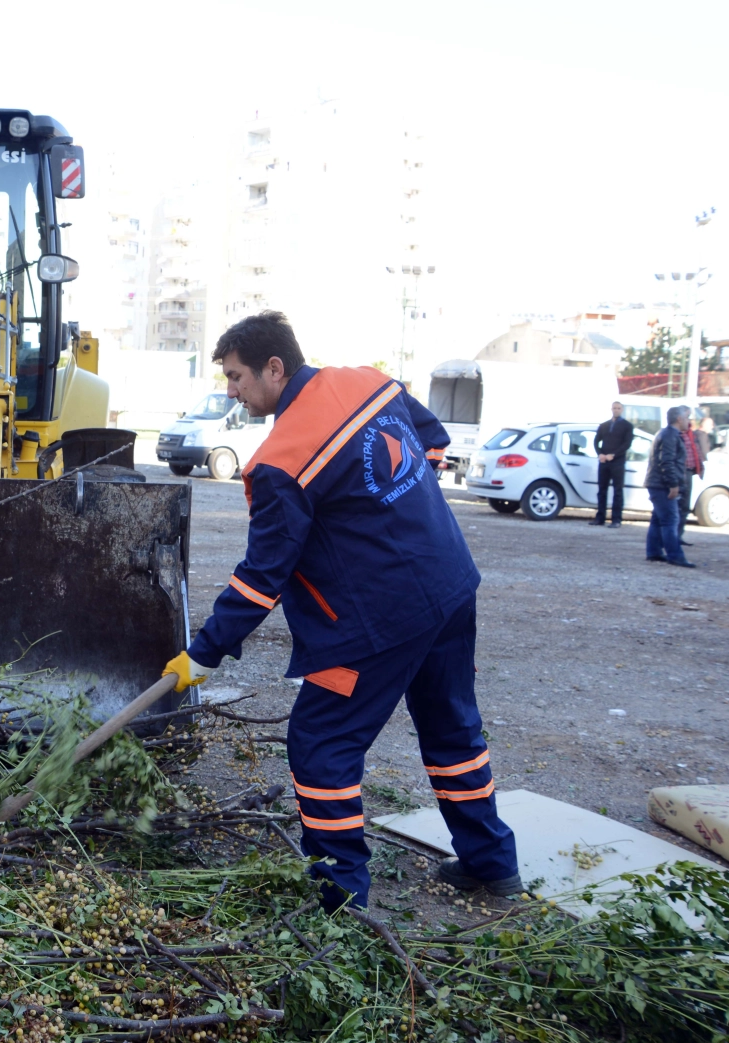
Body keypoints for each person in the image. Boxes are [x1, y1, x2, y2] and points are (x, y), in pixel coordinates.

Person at [162, 311, 519, 912]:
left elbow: (262, 579)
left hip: (376, 623)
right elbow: (432, 441)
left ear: (274, 368)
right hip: (450, 586)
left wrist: (204, 653)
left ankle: (338, 898)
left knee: (320, 742)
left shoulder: (281, 462)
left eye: (236, 376)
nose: (231, 390)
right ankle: (492, 864)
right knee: (453, 728)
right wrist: (399, 512)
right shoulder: (368, 382)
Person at [645, 405, 693, 568]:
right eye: (687, 418)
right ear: (679, 419)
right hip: (662, 484)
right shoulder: (670, 435)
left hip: (657, 482)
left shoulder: (666, 433)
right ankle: (675, 555)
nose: (689, 421)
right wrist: (673, 484)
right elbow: (667, 461)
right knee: (670, 520)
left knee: (658, 519)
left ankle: (654, 552)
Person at [592, 400, 633, 528]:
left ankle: (616, 519)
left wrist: (613, 455)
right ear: (611, 409)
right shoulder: (604, 425)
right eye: (614, 408)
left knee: (618, 491)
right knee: (601, 490)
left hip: (618, 462)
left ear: (622, 410)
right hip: (604, 462)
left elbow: (627, 444)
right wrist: (600, 454)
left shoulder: (627, 426)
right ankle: (600, 518)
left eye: (618, 408)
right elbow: (596, 441)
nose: (616, 410)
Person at [678, 416, 704, 546]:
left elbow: (696, 451)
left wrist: (700, 466)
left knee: (685, 507)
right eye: (687, 417)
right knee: (678, 506)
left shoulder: (690, 434)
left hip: (689, 472)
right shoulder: (676, 435)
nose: (689, 420)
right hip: (680, 472)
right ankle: (672, 537)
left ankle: (678, 535)